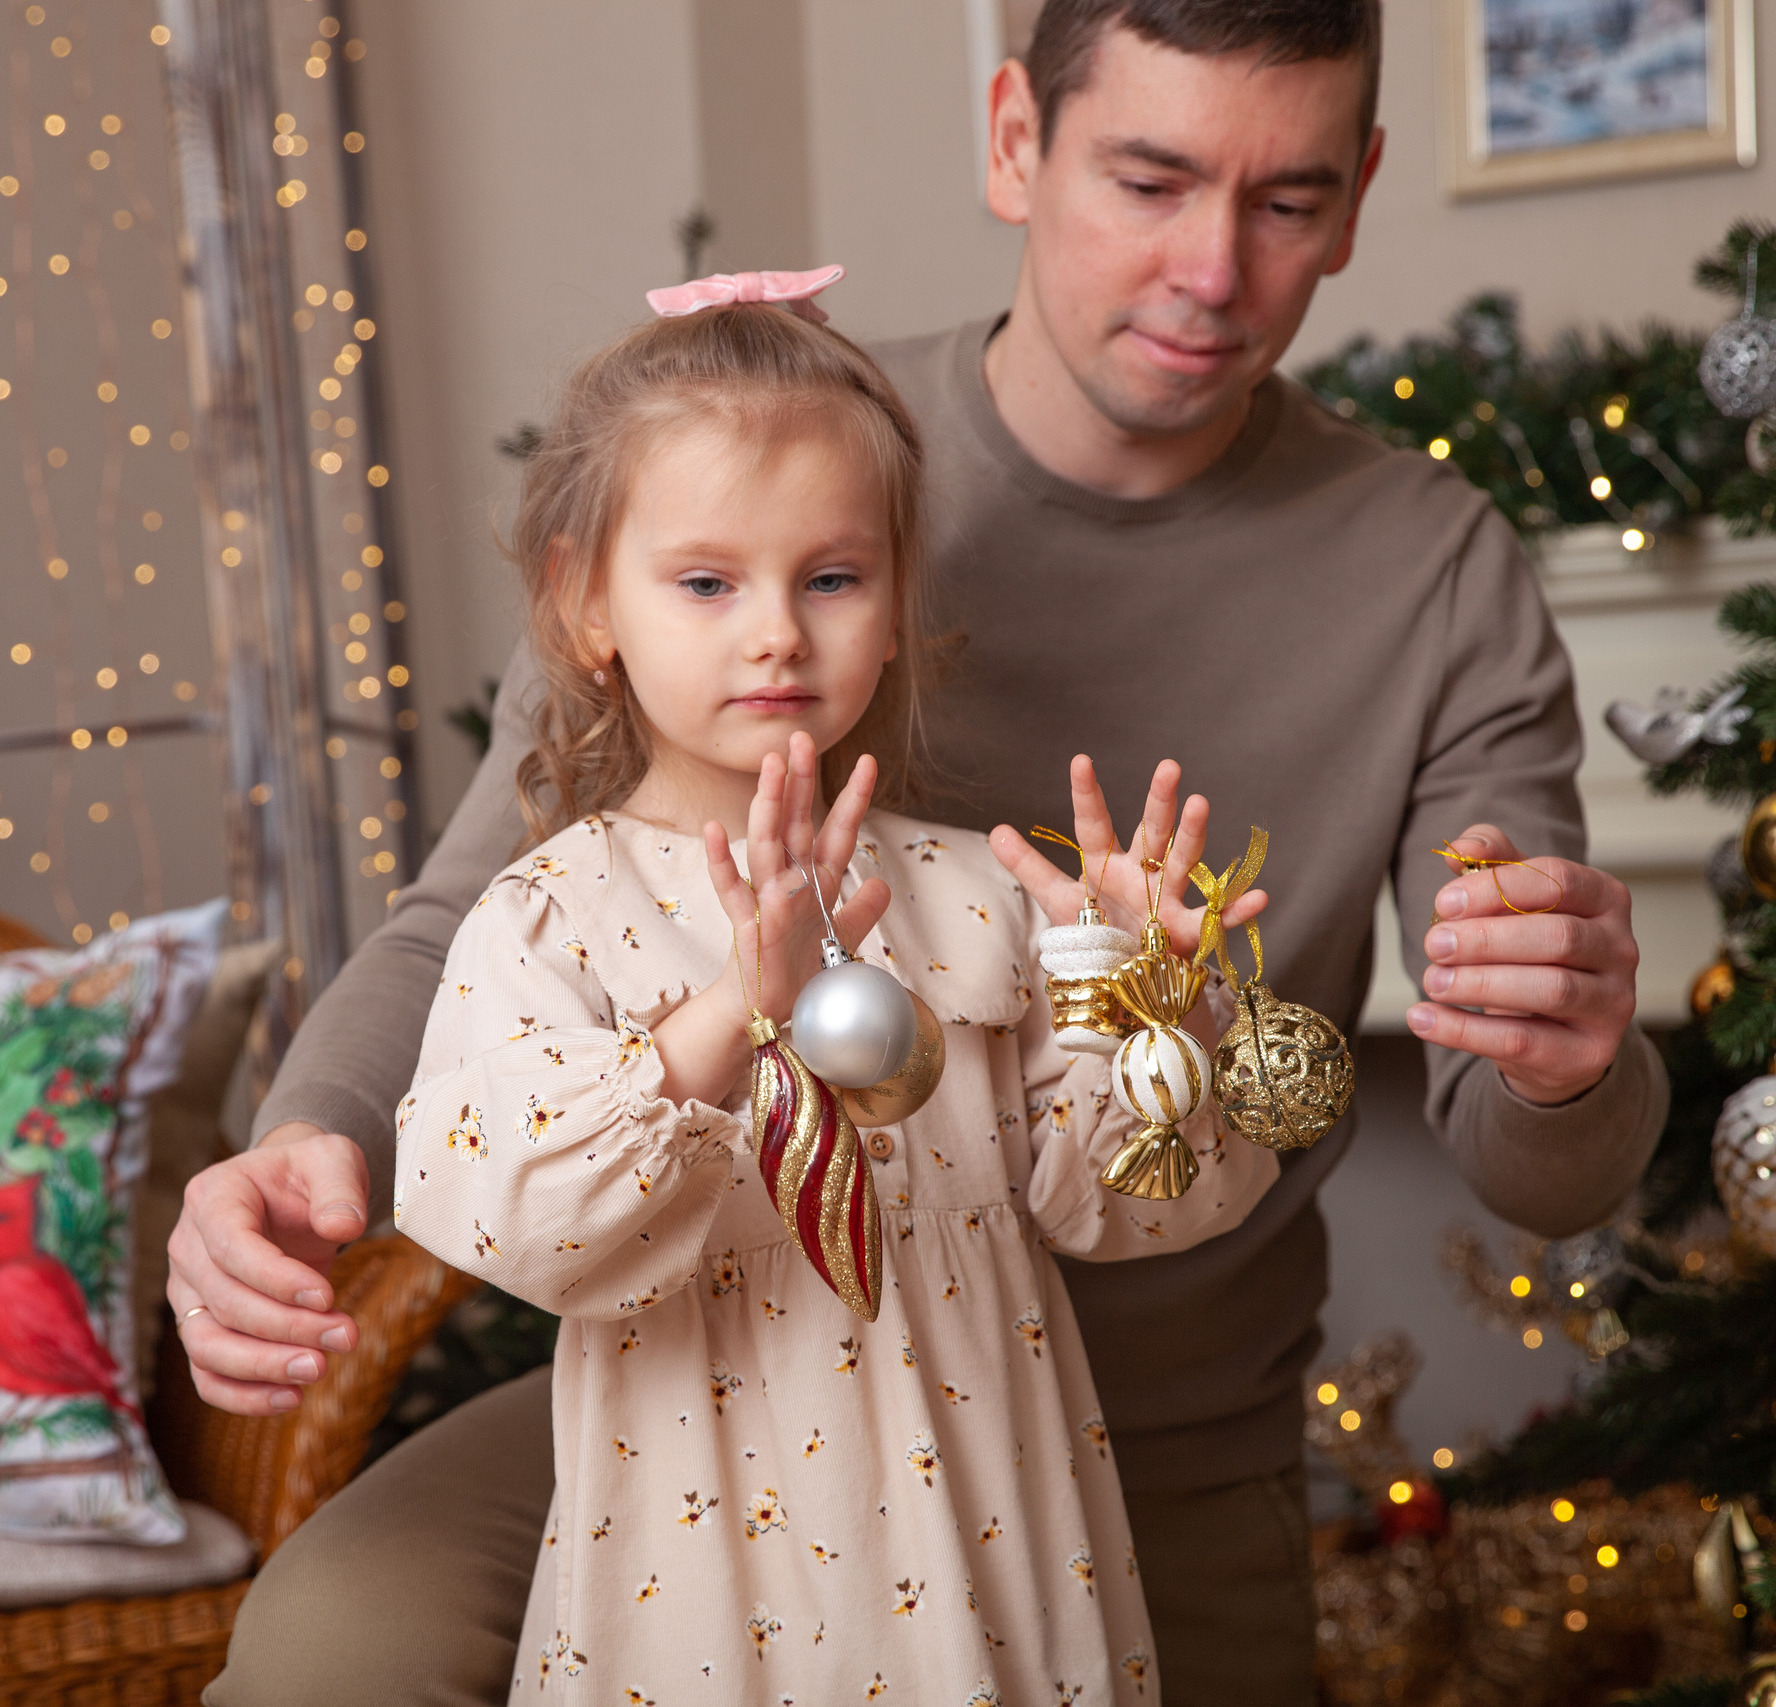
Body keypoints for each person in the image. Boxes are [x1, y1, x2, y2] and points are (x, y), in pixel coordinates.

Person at [187, 1, 1668, 1700]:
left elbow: (1526, 1156)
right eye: (1149, 177)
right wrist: (303, 1139)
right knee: (323, 1655)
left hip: (1139, 1436)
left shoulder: (1436, 572)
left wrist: (1566, 1062)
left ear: (1355, 201)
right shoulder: (756, 456)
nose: (1209, 268)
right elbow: (470, 921)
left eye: (1284, 200)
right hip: (700, 1402)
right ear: (1014, 145)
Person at [386, 289, 1280, 1697]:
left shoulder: (979, 897)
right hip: (702, 1569)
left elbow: (1131, 1203)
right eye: (706, 583)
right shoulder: (550, 915)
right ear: (582, 604)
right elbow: (505, 1214)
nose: (776, 637)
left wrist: (1150, 1004)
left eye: (830, 578)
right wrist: (742, 1005)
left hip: (984, 1531)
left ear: (897, 598)